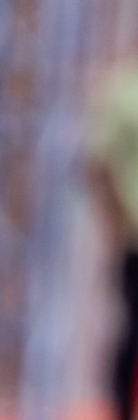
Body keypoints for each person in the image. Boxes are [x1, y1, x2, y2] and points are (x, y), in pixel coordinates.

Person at [90, 59, 138, 420]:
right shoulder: (124, 91)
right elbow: (97, 163)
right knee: (132, 332)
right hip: (135, 237)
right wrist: (115, 222)